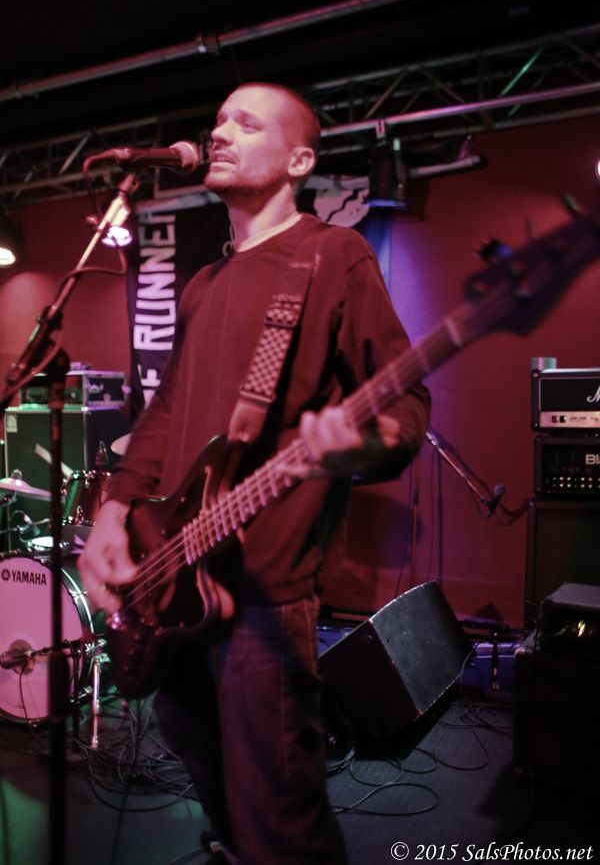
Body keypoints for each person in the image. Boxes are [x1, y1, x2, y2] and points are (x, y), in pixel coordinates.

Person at [78, 82, 430, 864]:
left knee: (282, 815)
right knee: (194, 749)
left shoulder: (331, 256)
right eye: (218, 120)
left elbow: (407, 406)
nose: (220, 132)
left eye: (247, 122)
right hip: (177, 573)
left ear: (300, 160)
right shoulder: (203, 283)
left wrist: (355, 448)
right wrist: (115, 510)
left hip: (267, 589)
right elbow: (167, 411)